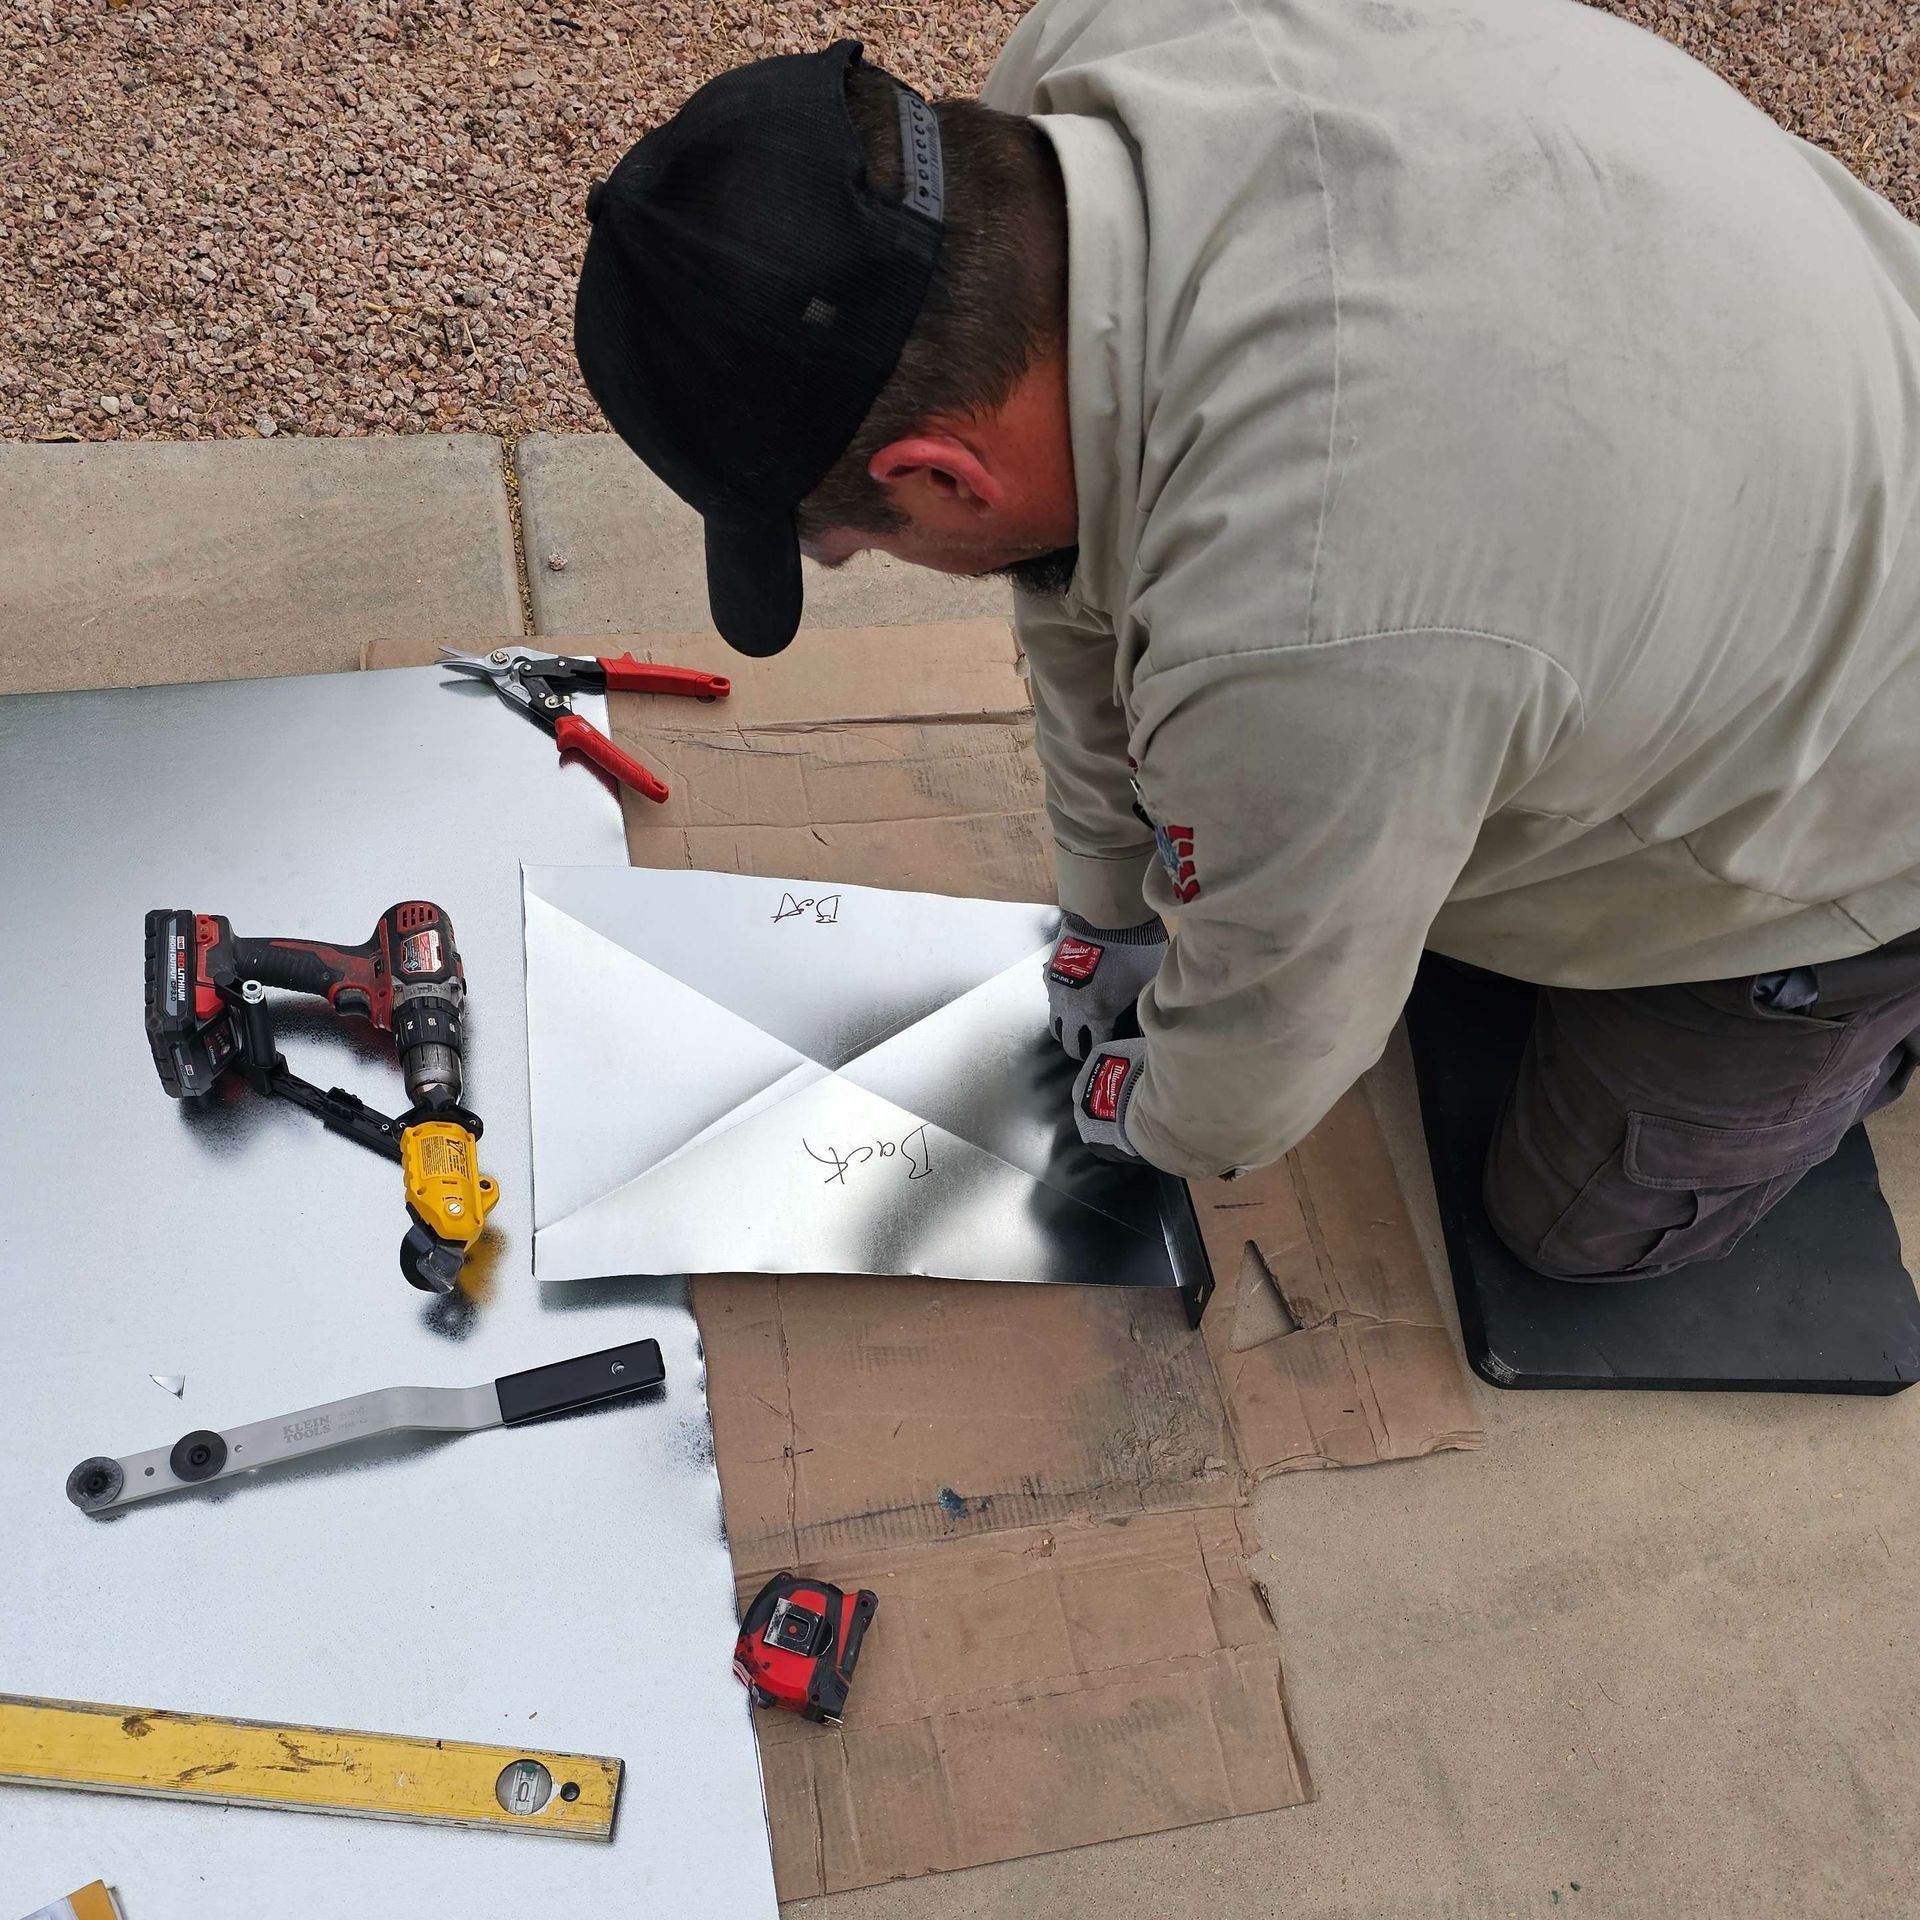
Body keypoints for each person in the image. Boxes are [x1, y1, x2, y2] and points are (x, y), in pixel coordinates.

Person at [570, 1, 1920, 1283]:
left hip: (1870, 758)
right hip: (1813, 362)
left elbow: (1258, 1069)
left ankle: (1863, 995)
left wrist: (1153, 1112)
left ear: (943, 478)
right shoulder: (1087, 77)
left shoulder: (1314, 626)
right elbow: (1072, 571)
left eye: (855, 539)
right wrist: (1111, 906)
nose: (862, 558)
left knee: (1574, 1224)